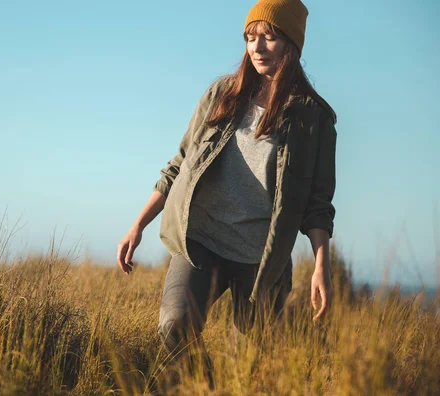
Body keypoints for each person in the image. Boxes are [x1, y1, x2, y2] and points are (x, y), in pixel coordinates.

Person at [116, 0, 337, 383]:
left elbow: (318, 205)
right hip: (202, 241)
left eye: (269, 37)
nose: (257, 47)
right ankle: (208, 387)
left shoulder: (313, 118)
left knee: (250, 368)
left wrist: (321, 266)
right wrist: (138, 224)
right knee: (174, 327)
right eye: (251, 37)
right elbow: (180, 163)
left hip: (261, 259)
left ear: (292, 45)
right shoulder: (222, 94)